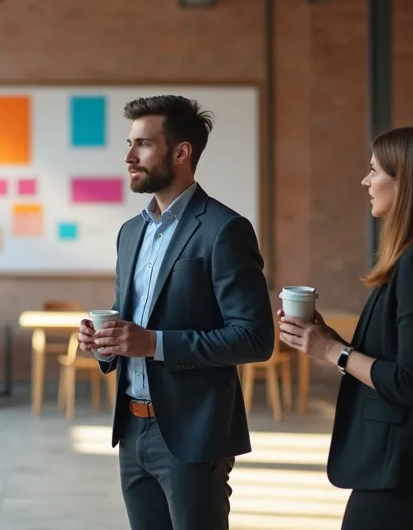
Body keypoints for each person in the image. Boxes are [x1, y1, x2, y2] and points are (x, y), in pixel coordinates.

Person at [278, 123, 413, 530]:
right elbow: (406, 361)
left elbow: (412, 382)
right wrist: (326, 341)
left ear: (407, 182)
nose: (366, 181)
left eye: (375, 171)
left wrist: (331, 351)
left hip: (407, 471)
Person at [77, 95, 275, 530]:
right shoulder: (131, 233)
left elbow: (256, 337)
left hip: (193, 435)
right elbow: (131, 323)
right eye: (129, 144)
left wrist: (153, 343)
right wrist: (103, 344)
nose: (128, 156)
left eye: (143, 144)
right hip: (131, 429)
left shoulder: (224, 229)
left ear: (181, 152)